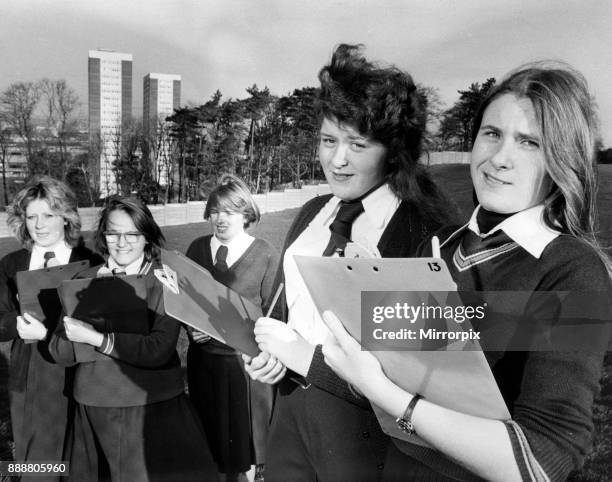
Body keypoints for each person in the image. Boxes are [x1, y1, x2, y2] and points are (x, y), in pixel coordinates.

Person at [320, 62, 612, 481]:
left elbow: (543, 461)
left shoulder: (574, 271)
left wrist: (388, 394)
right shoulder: (440, 244)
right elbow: (396, 376)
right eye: (492, 134)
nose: (500, 158)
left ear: (562, 160)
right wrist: (366, 308)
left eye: (530, 142)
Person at [244, 44, 456, 481]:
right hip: (288, 413)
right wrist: (269, 353)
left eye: (357, 144)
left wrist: (307, 358)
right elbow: (289, 308)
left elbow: (422, 376)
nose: (336, 160)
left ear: (393, 151)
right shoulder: (313, 211)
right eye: (328, 140)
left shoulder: (425, 232)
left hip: (366, 433)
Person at [49, 196, 217, 482]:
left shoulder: (165, 279)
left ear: (147, 237)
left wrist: (94, 337)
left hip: (153, 407)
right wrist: (68, 331)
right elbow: (60, 353)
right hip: (96, 406)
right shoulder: (83, 280)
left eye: (132, 234)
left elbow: (159, 349)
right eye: (113, 233)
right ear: (103, 236)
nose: (122, 242)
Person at [0, 176, 101, 480]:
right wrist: (15, 324)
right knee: (36, 467)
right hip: (30, 374)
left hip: (81, 372)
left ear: (66, 218)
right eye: (31, 216)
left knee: (80, 462)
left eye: (48, 215)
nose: (39, 225)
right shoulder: (11, 264)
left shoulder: (89, 262)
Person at [185, 174, 279, 481]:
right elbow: (184, 302)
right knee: (211, 449)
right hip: (205, 367)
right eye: (214, 211)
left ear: (246, 214)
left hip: (246, 371)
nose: (220, 218)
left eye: (229, 211)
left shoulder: (264, 253)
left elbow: (277, 313)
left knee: (249, 453)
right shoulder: (197, 249)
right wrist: (191, 329)